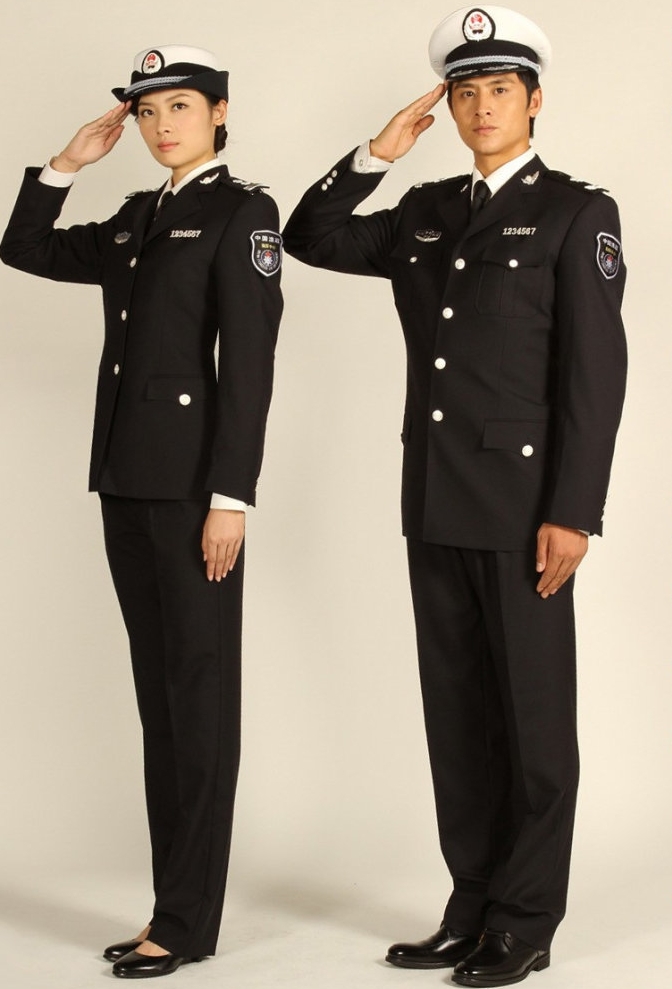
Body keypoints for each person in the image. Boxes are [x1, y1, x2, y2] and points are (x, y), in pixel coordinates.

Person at [283, 6, 626, 986]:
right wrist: (376, 153)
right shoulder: (426, 208)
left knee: (533, 720)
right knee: (459, 714)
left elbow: (594, 374)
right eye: (466, 91)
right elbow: (310, 236)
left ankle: (525, 919)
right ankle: (471, 902)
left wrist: (574, 509)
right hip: (434, 495)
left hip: (525, 508)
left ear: (534, 100)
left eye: (499, 90)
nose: (481, 106)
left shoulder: (576, 212)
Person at [1, 46, 282, 980]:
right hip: (125, 482)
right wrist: (64, 166)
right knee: (161, 704)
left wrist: (231, 496)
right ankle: (171, 907)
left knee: (199, 703)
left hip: (197, 493)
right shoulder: (134, 217)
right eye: (149, 111)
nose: (163, 126)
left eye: (181, 107)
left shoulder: (242, 213)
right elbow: (25, 248)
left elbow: (249, 364)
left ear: (219, 112)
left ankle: (187, 922)